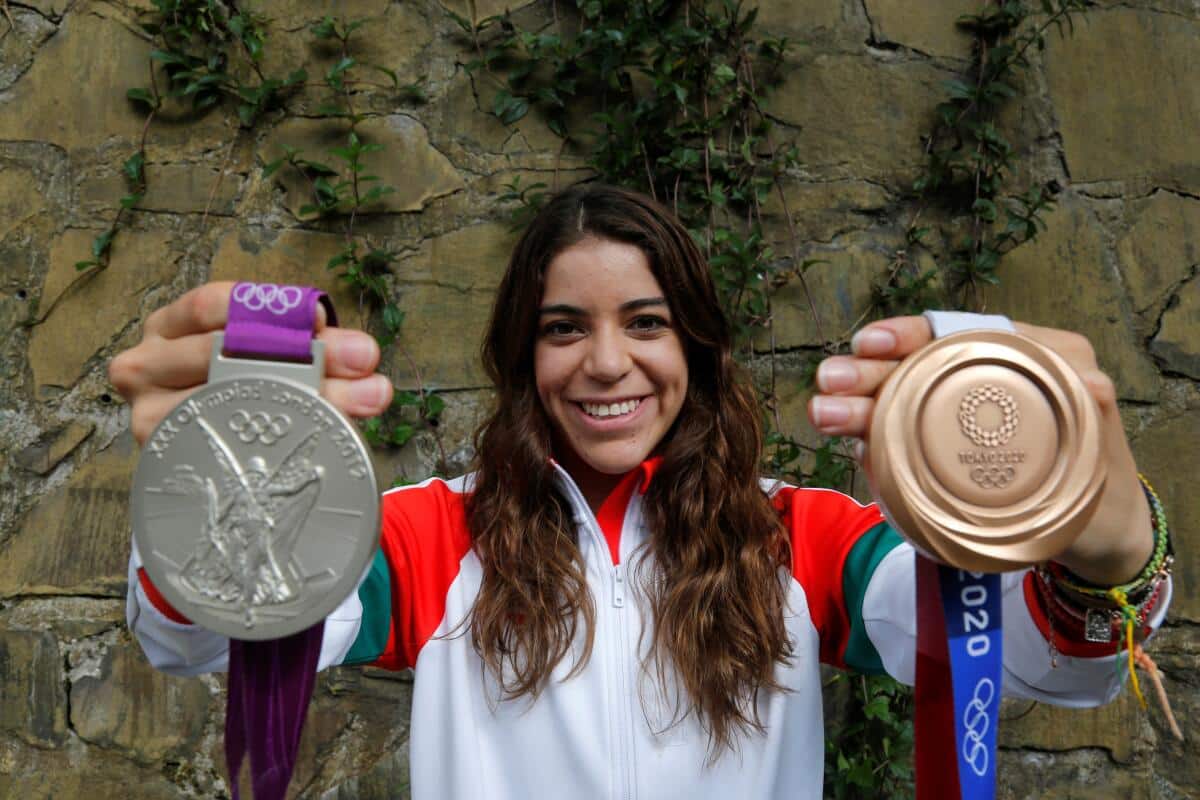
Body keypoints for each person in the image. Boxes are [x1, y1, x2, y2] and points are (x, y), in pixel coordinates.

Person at [112, 183, 1171, 799]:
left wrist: (1111, 548)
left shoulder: (801, 538)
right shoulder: (430, 536)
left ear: (696, 347)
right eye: (565, 326)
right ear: (523, 353)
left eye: (647, 322)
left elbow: (1039, 656)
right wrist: (211, 498)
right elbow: (204, 634)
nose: (606, 362)